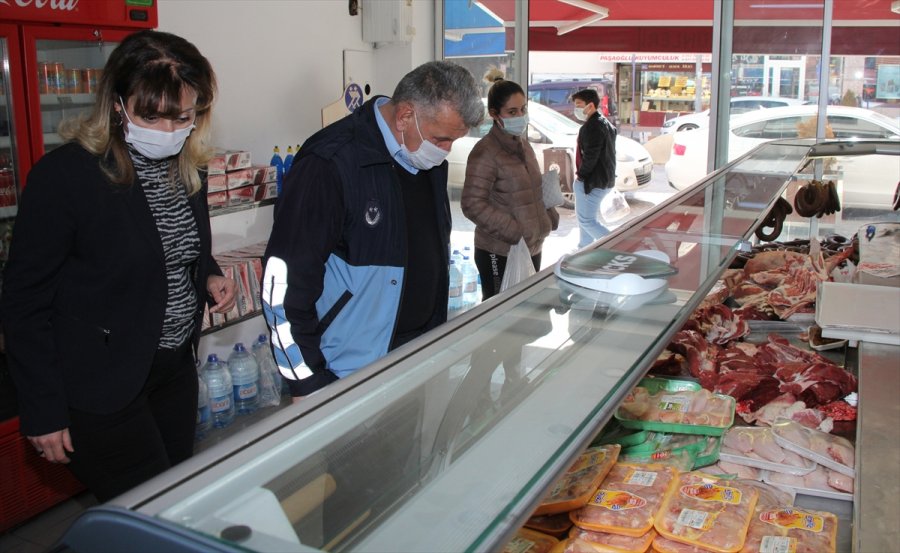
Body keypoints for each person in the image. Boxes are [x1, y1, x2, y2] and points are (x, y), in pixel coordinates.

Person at [0, 30, 236, 502]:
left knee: (177, 493)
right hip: (103, 380)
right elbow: (23, 302)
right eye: (151, 116)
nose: (168, 131)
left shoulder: (189, 166)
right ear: (116, 105)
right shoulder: (66, 177)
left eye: (182, 117)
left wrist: (207, 271)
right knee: (149, 509)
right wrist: (43, 408)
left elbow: (171, 244)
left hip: (173, 369)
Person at [262, 61, 483, 401]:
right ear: (405, 116)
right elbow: (284, 281)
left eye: (453, 141)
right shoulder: (330, 162)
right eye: (441, 139)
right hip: (347, 370)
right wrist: (306, 383)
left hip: (416, 354)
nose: (446, 150)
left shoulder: (427, 159)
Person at [461, 75, 559, 299]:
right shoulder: (485, 152)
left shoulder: (524, 146)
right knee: (497, 312)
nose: (520, 116)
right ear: (495, 114)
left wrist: (548, 215)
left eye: (523, 109)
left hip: (531, 246)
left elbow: (532, 190)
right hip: (499, 250)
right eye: (512, 112)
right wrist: (515, 231)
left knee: (524, 309)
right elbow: (472, 204)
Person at [572, 88, 617, 248]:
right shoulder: (605, 123)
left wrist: (581, 177)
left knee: (587, 221)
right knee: (584, 219)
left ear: (590, 106)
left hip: (593, 182)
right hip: (603, 179)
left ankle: (615, 246)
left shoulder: (592, 127)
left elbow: (591, 156)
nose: (576, 109)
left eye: (579, 105)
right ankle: (584, 247)